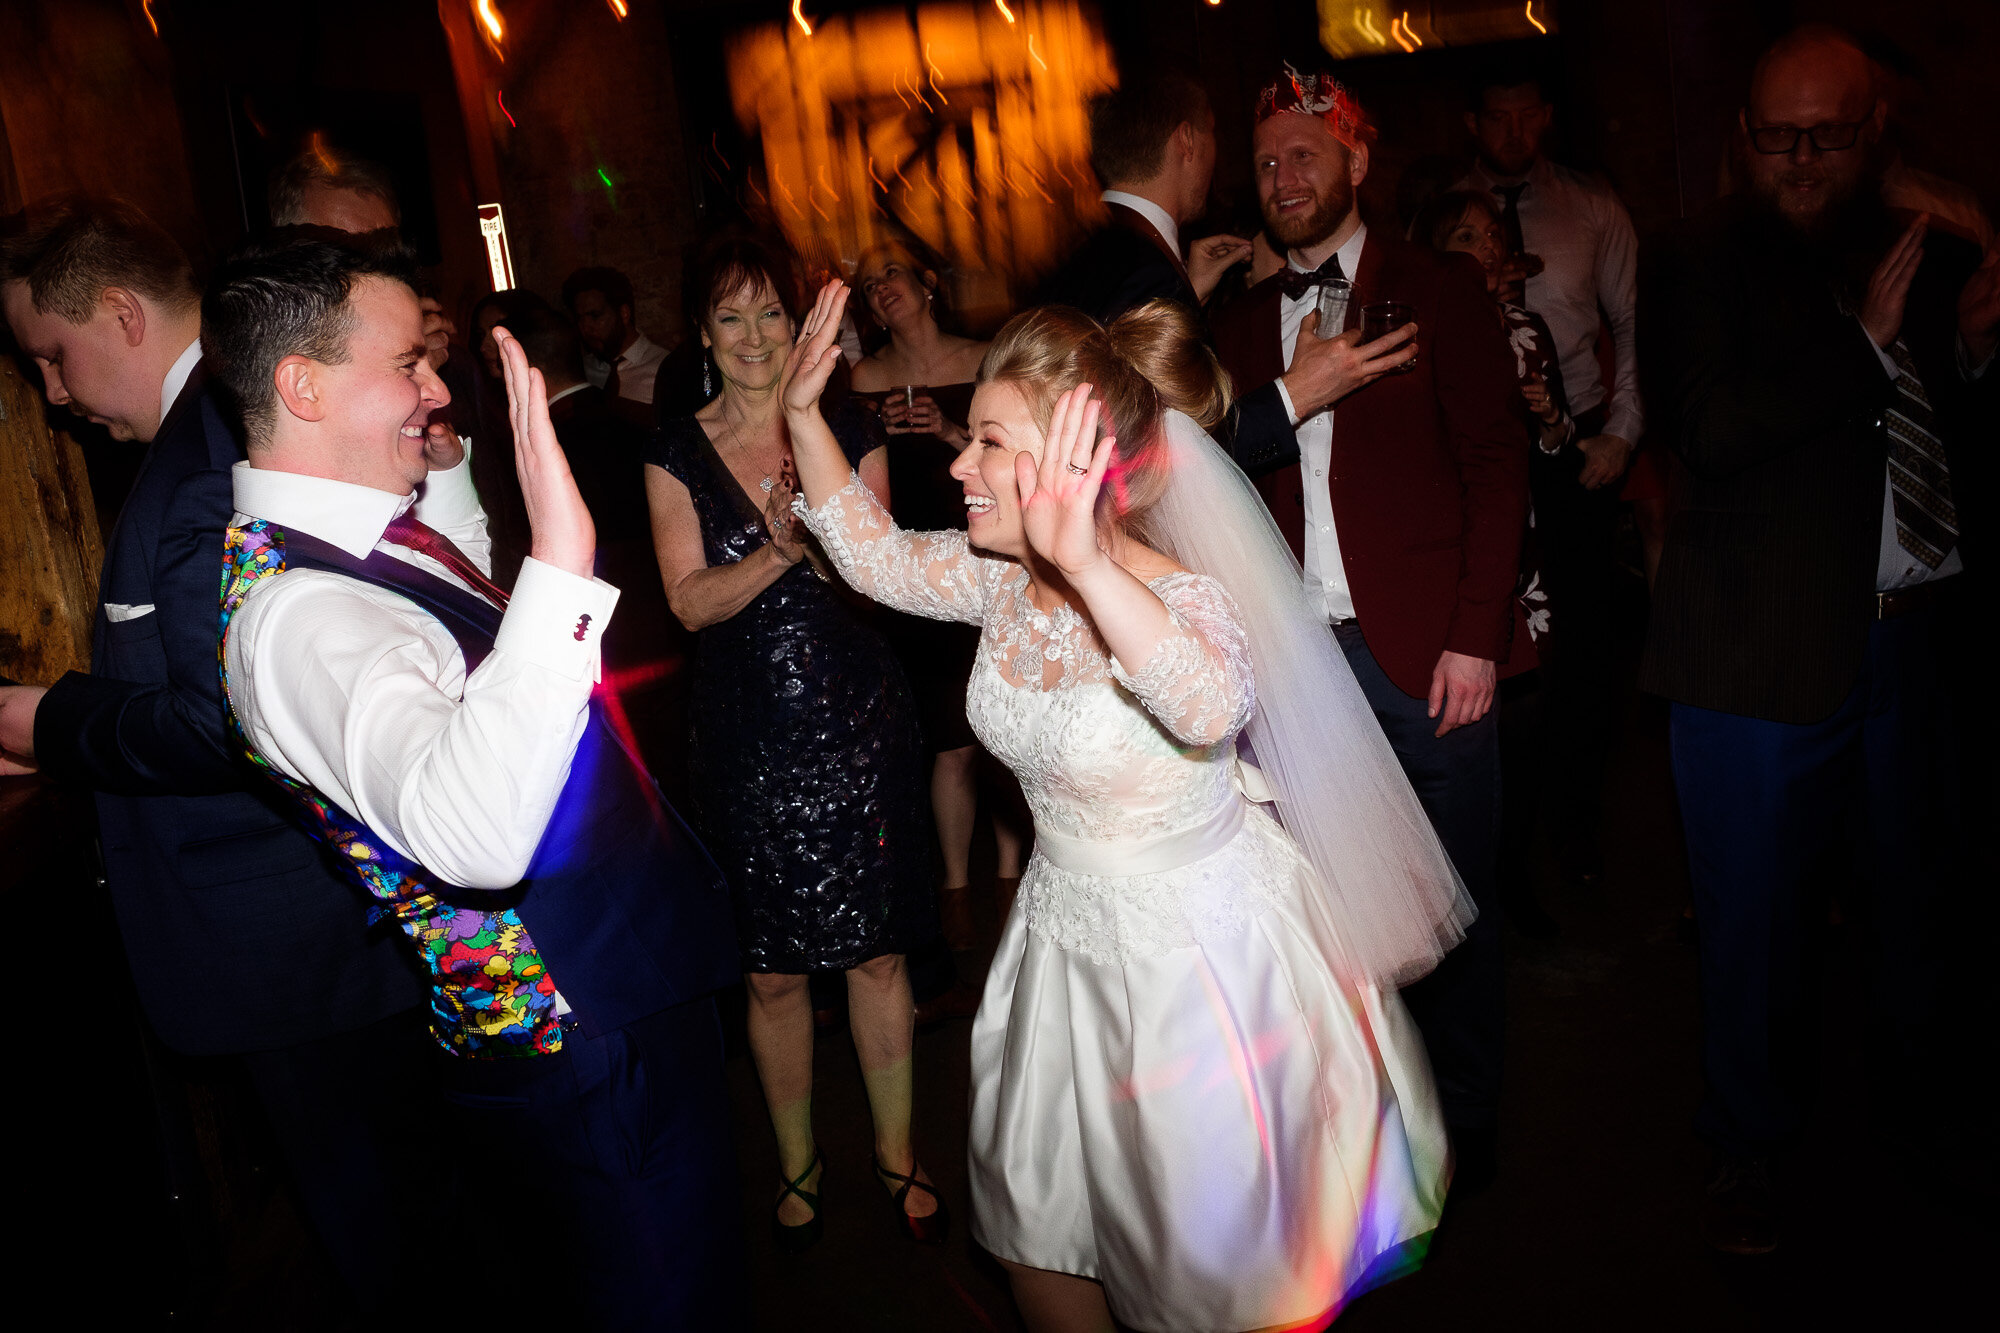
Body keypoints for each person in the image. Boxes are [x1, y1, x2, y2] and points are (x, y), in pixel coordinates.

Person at [786, 277, 1465, 1331]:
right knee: (1046, 1248)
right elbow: (871, 558)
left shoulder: (1182, 593)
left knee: (1218, 1274)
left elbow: (1208, 701)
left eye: (990, 443)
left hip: (1205, 974)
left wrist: (1090, 564)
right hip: (1061, 959)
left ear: (1078, 460)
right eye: (968, 439)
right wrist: (798, 412)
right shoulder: (995, 581)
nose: (960, 464)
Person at [204, 235, 741, 1325]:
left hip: (614, 998)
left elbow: (467, 664)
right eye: (406, 363)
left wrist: (442, 466)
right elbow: (477, 836)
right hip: (574, 1041)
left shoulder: (355, 542)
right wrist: (564, 558)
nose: (435, 386)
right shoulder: (295, 614)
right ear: (301, 385)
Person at [0, 196, 436, 1318]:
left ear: (117, 312)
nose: (51, 392)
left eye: (53, 355)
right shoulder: (199, 430)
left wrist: (42, 720)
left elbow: (225, 718)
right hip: (315, 943)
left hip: (294, 951)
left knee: (390, 1254)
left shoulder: (208, 450)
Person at [1640, 24, 1995, 1256]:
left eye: (1824, 135)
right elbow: (1706, 428)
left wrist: (1969, 347)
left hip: (1915, 638)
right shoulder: (1691, 257)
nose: (1797, 159)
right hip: (1757, 652)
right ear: (1742, 137)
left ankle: (1921, 1122)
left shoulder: (1925, 247)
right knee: (1753, 923)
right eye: (1775, 135)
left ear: (1870, 131)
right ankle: (1748, 1146)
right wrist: (1863, 347)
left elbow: (1951, 419)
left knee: (1922, 906)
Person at [1208, 66, 1532, 1188]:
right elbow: (1200, 471)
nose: (1281, 175)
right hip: (1293, 671)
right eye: (1262, 161)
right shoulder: (1241, 323)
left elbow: (1497, 465)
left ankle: (1471, 1125)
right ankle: (1372, 1121)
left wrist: (1475, 633)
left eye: (1303, 152)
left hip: (1427, 657)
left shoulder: (1435, 289)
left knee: (1453, 909)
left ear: (1356, 158)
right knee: (1326, 917)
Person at [642, 232, 944, 1251]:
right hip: (745, 736)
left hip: (856, 722)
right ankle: (798, 1164)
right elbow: (686, 603)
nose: (755, 337)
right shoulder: (672, 448)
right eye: (731, 316)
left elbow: (873, 572)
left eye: (772, 312)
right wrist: (780, 547)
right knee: (769, 970)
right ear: (701, 334)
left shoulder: (846, 424)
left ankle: (898, 1153)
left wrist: (815, 535)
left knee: (876, 956)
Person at [1456, 66, 1643, 889]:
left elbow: (1636, 322)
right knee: (1495, 639)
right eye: (1498, 115)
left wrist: (1624, 435)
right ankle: (1499, 843)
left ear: (1548, 118)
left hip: (1574, 445)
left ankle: (1577, 827)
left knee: (1584, 642)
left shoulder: (1590, 206)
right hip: (1478, 456)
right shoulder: (1444, 214)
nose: (1514, 130)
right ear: (1474, 123)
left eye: (1528, 114)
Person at [848, 239, 1023, 943]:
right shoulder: (865, 373)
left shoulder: (984, 357)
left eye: (891, 272)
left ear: (925, 283)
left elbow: (1014, 461)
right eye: (867, 285)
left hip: (992, 555)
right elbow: (860, 496)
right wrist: (877, 439)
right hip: (916, 574)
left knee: (1006, 726)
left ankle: (1013, 875)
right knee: (948, 740)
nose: (881, 287)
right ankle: (955, 893)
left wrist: (950, 430)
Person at [1413, 187, 1571, 938]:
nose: (1483, 246)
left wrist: (1547, 422)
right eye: (1464, 233)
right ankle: (1459, 904)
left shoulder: (1528, 327)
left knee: (1533, 723)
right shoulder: (1420, 323)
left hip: (1525, 546)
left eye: (1491, 235)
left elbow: (1556, 445)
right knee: (1471, 729)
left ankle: (1513, 880)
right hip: (1462, 549)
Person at [501, 296, 679, 776]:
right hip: (665, 635)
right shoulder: (633, 423)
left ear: (526, 368)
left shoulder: (537, 454)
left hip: (591, 654)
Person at [1037, 70, 1251, 323]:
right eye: (1212, 132)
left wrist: (1190, 294)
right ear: (1187, 140)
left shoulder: (1075, 254)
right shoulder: (1152, 276)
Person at [562, 264, 667, 409]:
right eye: (580, 319)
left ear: (624, 314)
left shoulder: (663, 369)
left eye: (595, 316)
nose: (586, 327)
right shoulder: (580, 371)